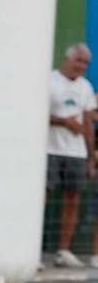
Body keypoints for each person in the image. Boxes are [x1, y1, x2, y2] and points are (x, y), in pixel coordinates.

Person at [46, 44, 95, 268]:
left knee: (72, 199)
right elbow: (36, 113)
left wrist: (90, 157)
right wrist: (64, 122)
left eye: (85, 63)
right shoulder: (49, 80)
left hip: (76, 153)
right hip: (50, 149)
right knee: (42, 199)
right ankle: (31, 249)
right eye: (79, 61)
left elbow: (87, 124)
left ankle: (63, 251)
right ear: (66, 59)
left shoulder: (86, 87)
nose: (81, 67)